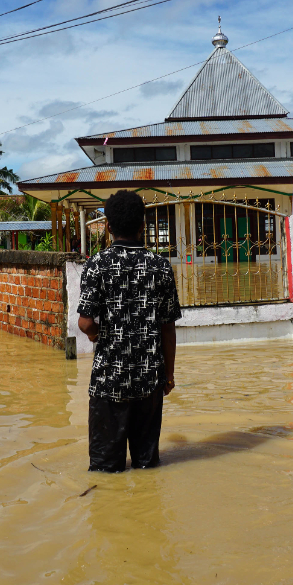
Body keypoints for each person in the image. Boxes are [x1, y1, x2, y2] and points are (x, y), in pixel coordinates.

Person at [77, 190, 181, 472]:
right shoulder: (161, 267)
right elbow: (168, 328)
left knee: (104, 471)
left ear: (108, 226)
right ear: (141, 226)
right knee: (147, 468)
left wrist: (100, 335)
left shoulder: (96, 265)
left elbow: (85, 323)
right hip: (149, 380)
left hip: (109, 381)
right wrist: (168, 376)